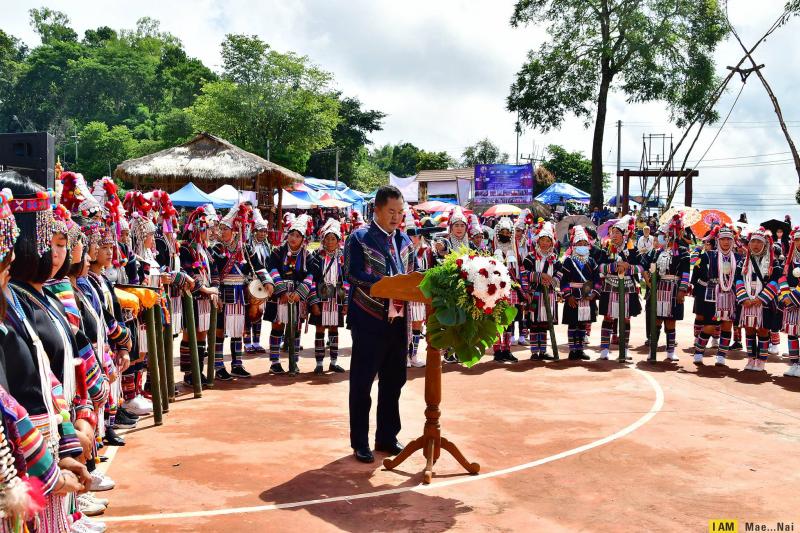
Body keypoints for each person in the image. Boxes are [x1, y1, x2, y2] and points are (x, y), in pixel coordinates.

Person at [344, 185, 414, 464]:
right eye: (391, 211)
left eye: (400, 212)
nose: (396, 217)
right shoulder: (359, 238)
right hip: (368, 320)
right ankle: (360, 442)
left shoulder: (405, 241)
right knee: (362, 384)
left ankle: (387, 436)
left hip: (398, 321)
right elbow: (352, 274)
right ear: (377, 210)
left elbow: (413, 274)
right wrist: (387, 285)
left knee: (394, 381)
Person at [265, 214, 313, 374]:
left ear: (303, 239)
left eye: (298, 236)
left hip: (298, 296)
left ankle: (294, 361)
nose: (294, 238)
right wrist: (282, 291)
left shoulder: (307, 255)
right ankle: (275, 362)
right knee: (277, 326)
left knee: (296, 328)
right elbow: (272, 269)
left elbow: (311, 275)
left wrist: (300, 292)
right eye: (292, 234)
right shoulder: (278, 252)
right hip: (280, 295)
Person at [641, 216, 690, 362]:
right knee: (656, 320)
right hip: (659, 288)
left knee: (670, 321)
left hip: (674, 288)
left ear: (670, 235)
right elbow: (646, 266)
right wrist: (648, 277)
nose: (660, 237)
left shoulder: (682, 251)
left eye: (662, 235)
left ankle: (670, 351)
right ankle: (652, 350)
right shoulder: (657, 252)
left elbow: (686, 273)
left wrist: (682, 290)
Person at [735, 227, 780, 372]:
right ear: (749, 244)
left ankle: (761, 361)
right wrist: (744, 298)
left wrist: (761, 298)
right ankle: (750, 359)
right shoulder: (743, 262)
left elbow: (775, 282)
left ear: (765, 244)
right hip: (747, 301)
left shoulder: (773, 263)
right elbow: (738, 280)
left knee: (763, 330)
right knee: (748, 329)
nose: (755, 245)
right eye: (753, 241)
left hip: (764, 302)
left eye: (759, 242)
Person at [597, 215, 642, 361]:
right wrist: (614, 266)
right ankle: (604, 348)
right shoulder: (606, 248)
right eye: (612, 232)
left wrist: (628, 267)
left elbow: (642, 267)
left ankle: (625, 348)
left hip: (628, 286)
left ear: (624, 235)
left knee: (626, 318)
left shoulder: (632, 249)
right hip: (610, 285)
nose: (614, 235)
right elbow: (600, 267)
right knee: (608, 317)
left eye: (617, 232)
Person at [307, 218, 348, 374]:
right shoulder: (317, 256)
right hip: (321, 297)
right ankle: (319, 363)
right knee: (320, 329)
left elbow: (346, 281)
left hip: (336, 298)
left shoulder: (342, 258)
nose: (330, 242)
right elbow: (312, 279)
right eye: (327, 238)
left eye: (333, 239)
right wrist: (314, 302)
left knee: (334, 329)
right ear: (323, 240)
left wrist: (345, 302)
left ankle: (333, 362)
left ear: (338, 241)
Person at [522, 221, 561, 360]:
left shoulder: (555, 259)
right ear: (538, 241)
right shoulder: (530, 257)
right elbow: (524, 274)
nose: (545, 243)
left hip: (549, 294)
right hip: (535, 295)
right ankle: (534, 351)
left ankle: (543, 351)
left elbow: (559, 273)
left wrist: (551, 280)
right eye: (542, 240)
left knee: (545, 323)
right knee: (534, 323)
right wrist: (540, 276)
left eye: (548, 240)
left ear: (552, 243)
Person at [560, 225, 599, 360]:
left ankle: (580, 349)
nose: (582, 246)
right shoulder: (568, 261)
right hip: (573, 297)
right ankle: (572, 350)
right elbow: (563, 281)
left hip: (587, 297)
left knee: (583, 324)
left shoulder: (592, 261)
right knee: (573, 323)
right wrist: (568, 296)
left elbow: (597, 280)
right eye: (579, 243)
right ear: (574, 245)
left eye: (584, 243)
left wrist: (594, 293)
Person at [244, 209, 271, 354]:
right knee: (249, 312)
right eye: (260, 231)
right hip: (250, 282)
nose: (262, 234)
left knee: (259, 312)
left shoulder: (267, 246)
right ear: (254, 231)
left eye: (265, 231)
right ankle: (247, 342)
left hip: (263, 283)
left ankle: (256, 342)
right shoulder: (248, 246)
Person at [778, 227, 800, 377]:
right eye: (797, 239)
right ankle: (794, 364)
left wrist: (792, 298)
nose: (799, 242)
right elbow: (782, 277)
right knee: (792, 332)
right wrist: (785, 296)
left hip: (794, 297)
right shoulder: (789, 259)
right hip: (790, 299)